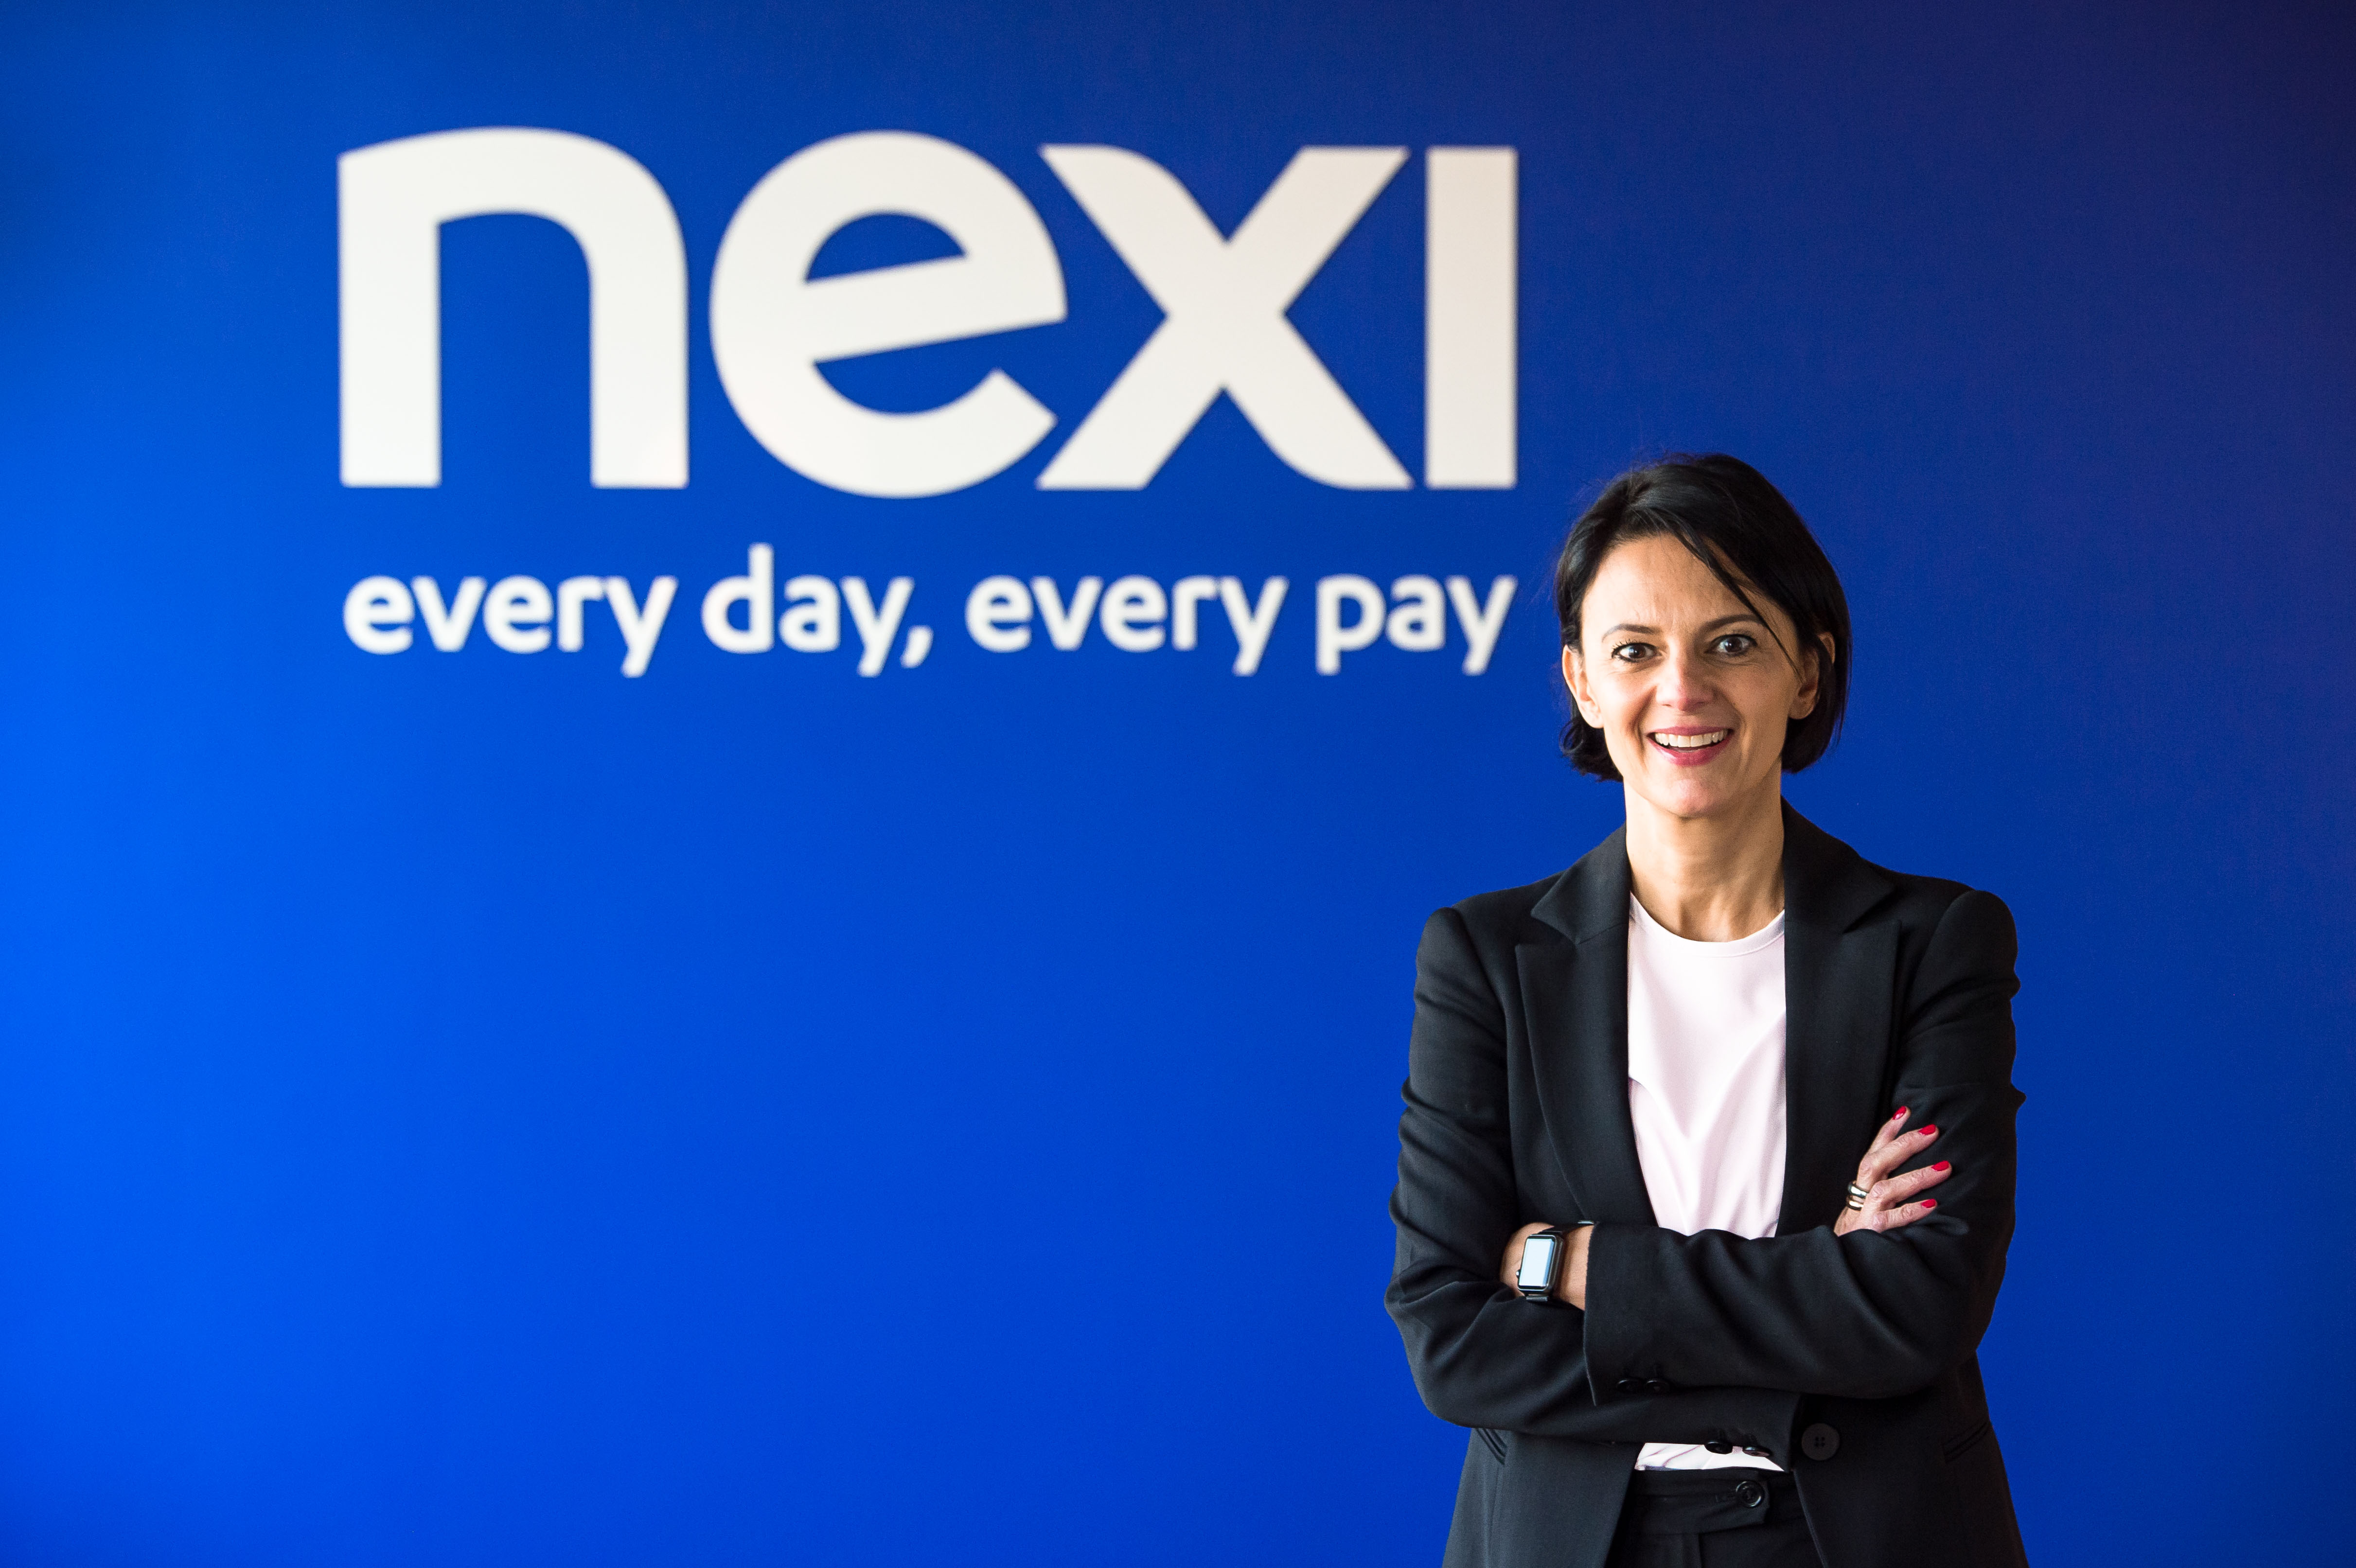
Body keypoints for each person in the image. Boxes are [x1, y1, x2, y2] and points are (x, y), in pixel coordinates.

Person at [1386, 455, 2027, 1568]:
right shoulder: (1483, 959)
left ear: (1807, 671)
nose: (1680, 689)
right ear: (1582, 681)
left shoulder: (1934, 942)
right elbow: (1452, 1338)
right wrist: (1808, 1302)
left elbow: (1917, 1303)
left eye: (1730, 642)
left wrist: (1578, 1265)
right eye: (1635, 650)